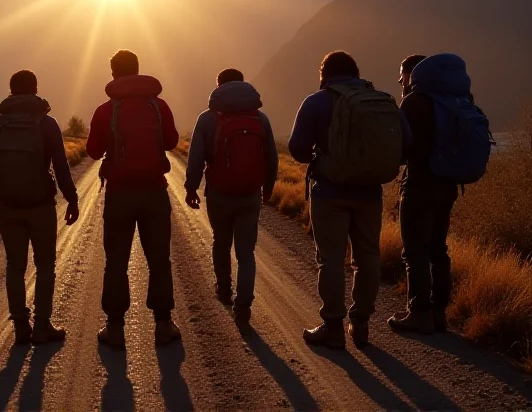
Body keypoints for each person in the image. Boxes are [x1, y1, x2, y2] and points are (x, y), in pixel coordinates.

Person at [288, 51, 408, 349]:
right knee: (367, 256)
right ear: (356, 72)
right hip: (369, 192)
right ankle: (361, 323)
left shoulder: (316, 102)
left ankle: (333, 327)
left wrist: (321, 156)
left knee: (330, 260)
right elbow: (406, 145)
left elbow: (297, 148)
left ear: (324, 73)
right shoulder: (380, 100)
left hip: (329, 192)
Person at [87, 49, 181, 349]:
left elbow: (91, 151)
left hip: (119, 193)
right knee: (159, 259)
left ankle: (115, 328)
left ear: (113, 73)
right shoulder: (158, 106)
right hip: (154, 190)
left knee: (116, 261)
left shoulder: (105, 110)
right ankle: (163, 325)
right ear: (138, 70)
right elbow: (171, 142)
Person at [0, 70, 79, 345]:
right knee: (45, 265)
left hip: (9, 206)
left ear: (10, 92)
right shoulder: (45, 123)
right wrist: (72, 198)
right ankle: (43, 325)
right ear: (36, 90)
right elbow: (60, 165)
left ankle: (21, 327)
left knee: (15, 265)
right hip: (41, 206)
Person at [184, 69, 278, 331]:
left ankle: (224, 289)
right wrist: (267, 189)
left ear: (219, 87)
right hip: (249, 194)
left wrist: (191, 188)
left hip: (219, 193)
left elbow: (195, 159)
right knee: (246, 252)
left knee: (221, 242)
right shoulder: (260, 118)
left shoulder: (207, 118)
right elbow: (271, 157)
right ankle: (243, 306)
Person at [389, 54, 471, 334]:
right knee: (438, 250)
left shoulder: (414, 102)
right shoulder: (452, 100)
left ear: (414, 74)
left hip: (419, 185)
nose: (400, 81)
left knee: (415, 252)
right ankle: (439, 314)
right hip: (447, 186)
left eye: (403, 74)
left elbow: (401, 149)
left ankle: (419, 313)